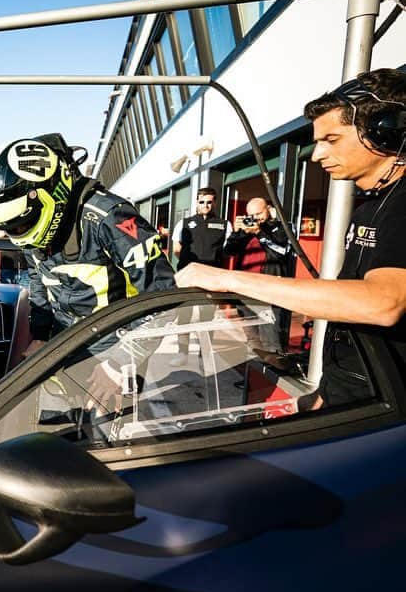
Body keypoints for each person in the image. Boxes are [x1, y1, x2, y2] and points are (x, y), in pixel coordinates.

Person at [177, 68, 406, 410]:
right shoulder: (369, 207)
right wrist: (322, 396)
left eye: (331, 140)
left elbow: (383, 303)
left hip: (387, 412)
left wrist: (225, 279)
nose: (316, 155)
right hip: (353, 394)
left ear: (386, 131)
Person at [0, 133, 176, 417]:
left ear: (51, 193)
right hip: (63, 346)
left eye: (21, 225)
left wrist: (119, 364)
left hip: (116, 352)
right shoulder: (34, 234)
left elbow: (162, 298)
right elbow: (38, 280)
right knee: (53, 432)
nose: (17, 235)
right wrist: (41, 335)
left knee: (105, 446)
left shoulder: (110, 217)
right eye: (10, 227)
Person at [224, 197, 294, 352]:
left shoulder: (283, 227)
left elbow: (281, 252)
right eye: (251, 215)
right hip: (245, 289)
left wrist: (258, 232)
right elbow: (228, 252)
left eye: (258, 213)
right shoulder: (247, 229)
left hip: (268, 291)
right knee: (252, 337)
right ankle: (257, 368)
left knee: (272, 339)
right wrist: (237, 232)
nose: (255, 219)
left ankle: (275, 371)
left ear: (268, 208)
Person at [171, 187, 230, 361]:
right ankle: (182, 353)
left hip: (211, 277)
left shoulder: (225, 225)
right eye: (202, 202)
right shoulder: (184, 223)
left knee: (207, 315)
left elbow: (226, 251)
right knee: (184, 314)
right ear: (196, 203)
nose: (206, 205)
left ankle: (204, 353)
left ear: (215, 203)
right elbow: (176, 249)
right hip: (188, 275)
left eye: (210, 202)